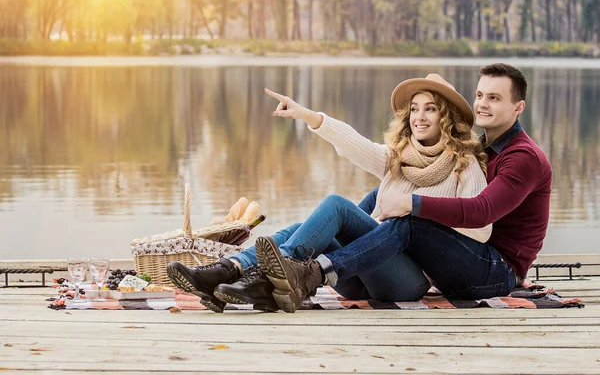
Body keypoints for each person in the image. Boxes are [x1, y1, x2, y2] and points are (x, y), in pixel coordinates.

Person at [167, 73, 491, 313]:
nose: (419, 117)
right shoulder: (397, 159)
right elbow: (353, 143)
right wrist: (308, 115)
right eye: (415, 109)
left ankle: (269, 274)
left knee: (337, 205)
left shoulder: (464, 167)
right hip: (356, 275)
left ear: (446, 117)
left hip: (407, 282)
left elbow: (481, 228)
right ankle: (227, 272)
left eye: (430, 109)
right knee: (299, 230)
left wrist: (416, 207)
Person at [256, 63, 552, 313]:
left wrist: (413, 202)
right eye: (480, 95)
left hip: (496, 270)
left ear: (518, 107)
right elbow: (361, 148)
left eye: (495, 98)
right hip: (462, 257)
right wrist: (309, 116)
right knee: (367, 203)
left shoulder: (522, 156)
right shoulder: (481, 147)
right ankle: (244, 271)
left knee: (410, 222)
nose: (483, 104)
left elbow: (482, 211)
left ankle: (315, 272)